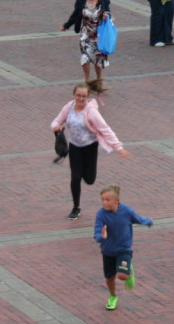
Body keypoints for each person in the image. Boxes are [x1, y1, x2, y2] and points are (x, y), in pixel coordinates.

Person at [51, 80, 130, 220]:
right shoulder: (69, 107)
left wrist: (118, 147)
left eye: (83, 96)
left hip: (90, 147)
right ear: (73, 95)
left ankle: (84, 173)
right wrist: (55, 126)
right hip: (74, 147)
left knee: (89, 179)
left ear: (87, 97)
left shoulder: (91, 111)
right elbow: (56, 120)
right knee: (75, 178)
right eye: (78, 95)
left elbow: (105, 129)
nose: (80, 99)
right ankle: (76, 207)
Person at [94, 184, 152, 310]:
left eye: (108, 200)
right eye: (102, 199)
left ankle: (128, 271)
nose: (104, 202)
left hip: (124, 249)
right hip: (108, 251)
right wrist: (101, 237)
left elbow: (138, 219)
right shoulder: (101, 214)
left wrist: (148, 221)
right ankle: (113, 296)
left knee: (122, 276)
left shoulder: (127, 211)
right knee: (109, 278)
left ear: (117, 200)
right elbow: (97, 233)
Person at [62, 0, 111, 81]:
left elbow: (108, 13)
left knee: (98, 58)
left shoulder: (103, 0)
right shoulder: (81, 0)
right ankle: (87, 80)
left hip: (99, 34)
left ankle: (98, 80)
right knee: (85, 57)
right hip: (85, 34)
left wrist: (106, 15)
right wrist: (66, 25)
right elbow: (75, 15)